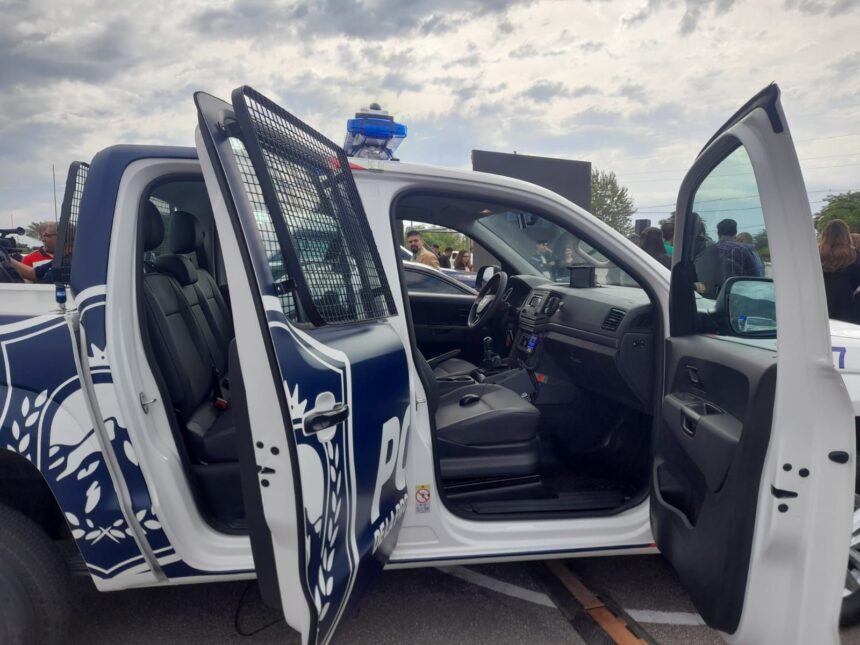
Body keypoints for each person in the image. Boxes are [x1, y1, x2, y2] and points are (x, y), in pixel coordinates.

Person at [819, 219, 860, 323]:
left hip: (820, 307)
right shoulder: (855, 256)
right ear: (846, 236)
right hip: (848, 312)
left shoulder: (816, 255)